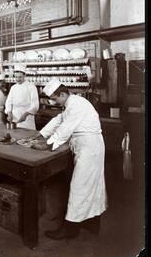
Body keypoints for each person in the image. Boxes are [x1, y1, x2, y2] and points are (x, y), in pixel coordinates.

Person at [33, 79, 107, 240]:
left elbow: (66, 128)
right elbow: (59, 120)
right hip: (87, 147)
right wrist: (41, 134)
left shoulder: (77, 104)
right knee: (91, 186)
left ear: (63, 94)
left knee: (80, 187)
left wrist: (48, 145)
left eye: (54, 98)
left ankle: (70, 229)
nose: (53, 102)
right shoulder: (70, 105)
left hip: (89, 148)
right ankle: (91, 223)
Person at [4, 64, 39, 129]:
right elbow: (8, 102)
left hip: (27, 118)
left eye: (20, 77)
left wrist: (25, 115)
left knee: (27, 136)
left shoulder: (31, 87)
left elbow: (35, 104)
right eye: (16, 77)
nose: (17, 79)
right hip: (14, 117)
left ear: (24, 76)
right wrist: (9, 113)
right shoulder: (13, 87)